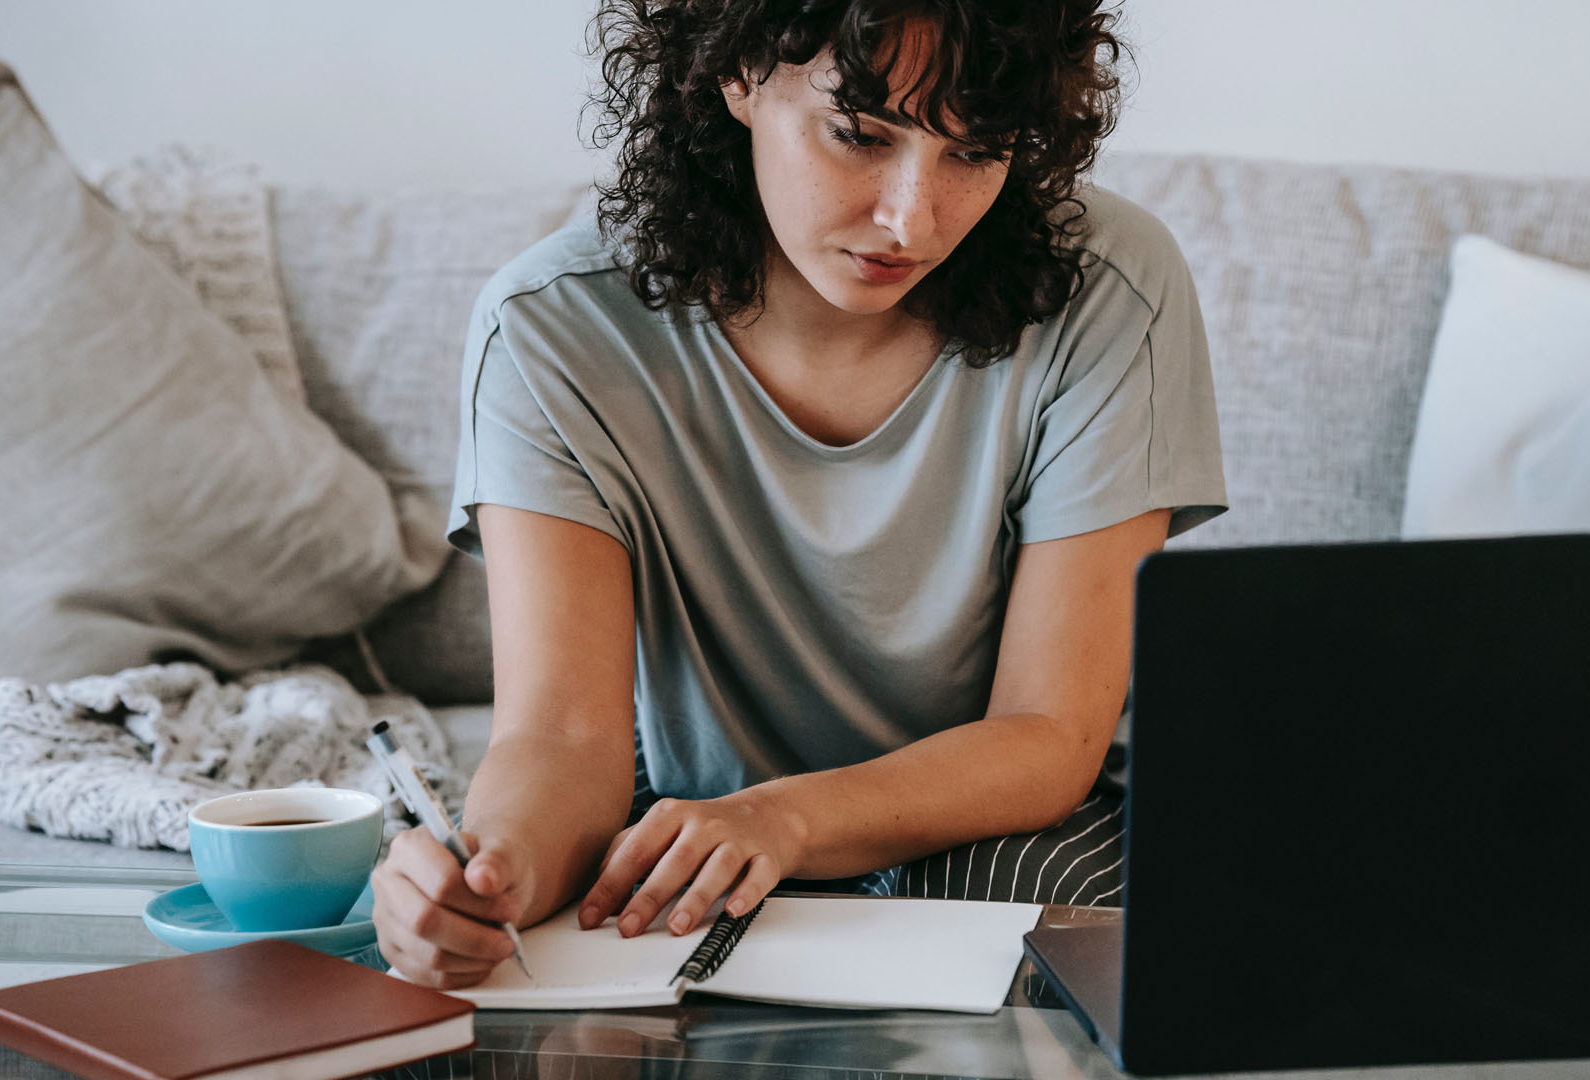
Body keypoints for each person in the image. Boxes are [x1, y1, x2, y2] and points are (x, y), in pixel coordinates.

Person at [372, 0, 1226, 990]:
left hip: (1005, 819)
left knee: (997, 929)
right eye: (861, 133)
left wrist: (786, 817)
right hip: (704, 817)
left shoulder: (1110, 289)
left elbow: (1048, 735)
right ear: (737, 73)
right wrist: (493, 872)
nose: (913, 217)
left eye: (976, 151)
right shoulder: (552, 331)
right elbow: (562, 740)